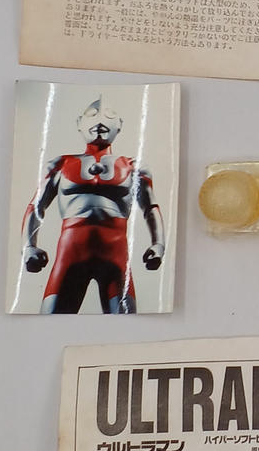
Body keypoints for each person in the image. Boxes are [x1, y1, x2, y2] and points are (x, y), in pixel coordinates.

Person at [22, 96, 164, 313]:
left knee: (127, 323)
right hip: (71, 254)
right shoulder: (60, 164)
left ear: (119, 125)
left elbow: (150, 208)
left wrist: (158, 244)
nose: (100, 120)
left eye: (109, 115)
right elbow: (36, 206)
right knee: (50, 320)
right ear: (79, 123)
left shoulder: (133, 167)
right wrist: (28, 247)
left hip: (115, 257)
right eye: (92, 115)